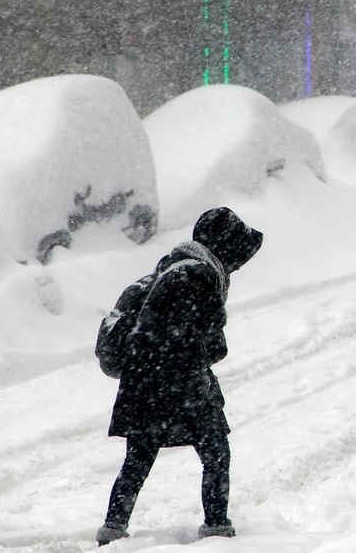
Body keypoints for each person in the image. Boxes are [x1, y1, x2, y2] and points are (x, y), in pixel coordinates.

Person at [96, 207, 263, 546]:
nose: (238, 266)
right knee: (216, 451)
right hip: (179, 385)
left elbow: (149, 332)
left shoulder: (170, 267)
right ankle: (216, 528)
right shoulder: (199, 277)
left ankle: (113, 529)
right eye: (237, 256)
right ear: (225, 247)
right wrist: (197, 355)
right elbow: (211, 344)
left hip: (143, 384)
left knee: (139, 458)